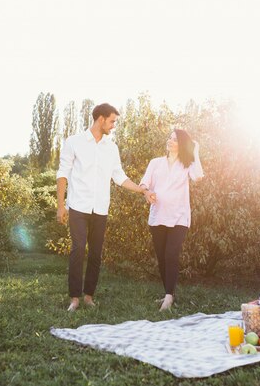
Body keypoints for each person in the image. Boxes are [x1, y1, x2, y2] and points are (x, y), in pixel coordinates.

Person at [56, 103, 152, 312]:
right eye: (112, 121)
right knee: (78, 249)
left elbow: (119, 177)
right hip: (79, 206)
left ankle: (89, 296)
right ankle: (74, 298)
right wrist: (60, 206)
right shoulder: (74, 142)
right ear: (101, 119)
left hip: (100, 209)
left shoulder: (111, 148)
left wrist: (141, 190)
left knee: (96, 254)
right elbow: (62, 174)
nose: (113, 126)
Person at [139, 129, 204, 311]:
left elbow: (198, 176)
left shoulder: (187, 164)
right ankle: (169, 292)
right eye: (169, 138)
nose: (170, 141)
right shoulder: (155, 163)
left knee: (171, 254)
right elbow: (144, 183)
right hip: (157, 216)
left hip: (179, 217)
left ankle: (168, 297)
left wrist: (195, 151)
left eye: (175, 140)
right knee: (162, 257)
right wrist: (147, 192)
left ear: (181, 144)